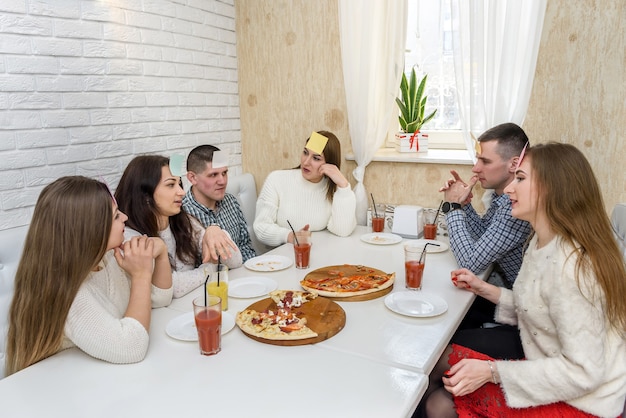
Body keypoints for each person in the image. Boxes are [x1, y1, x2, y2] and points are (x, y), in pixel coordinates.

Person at [423, 143, 626, 418]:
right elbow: (539, 309)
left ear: (552, 188)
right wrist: (484, 288)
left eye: (520, 179)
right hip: (551, 368)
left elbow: (583, 372)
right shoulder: (542, 241)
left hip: (584, 403)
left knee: (439, 402)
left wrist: (492, 372)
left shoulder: (573, 267)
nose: (508, 189)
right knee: (437, 365)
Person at [5, 176, 173, 376]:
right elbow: (131, 347)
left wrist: (161, 252)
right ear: (91, 230)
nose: (125, 217)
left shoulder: (107, 257)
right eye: (115, 216)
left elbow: (159, 298)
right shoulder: (67, 293)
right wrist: (141, 275)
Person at [440, 123, 532, 328]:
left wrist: (452, 207)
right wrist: (464, 205)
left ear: (513, 164)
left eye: (485, 161)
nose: (475, 168)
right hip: (508, 297)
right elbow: (482, 237)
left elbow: (470, 263)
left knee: (444, 317)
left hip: (520, 314)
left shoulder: (514, 207)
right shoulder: (502, 197)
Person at [115, 155, 242, 298]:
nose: (181, 192)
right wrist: (212, 268)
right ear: (145, 195)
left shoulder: (183, 221)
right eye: (170, 185)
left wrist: (215, 230)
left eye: (179, 184)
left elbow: (235, 261)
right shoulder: (128, 237)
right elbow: (171, 287)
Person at [254, 131, 357, 246]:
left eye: (316, 158)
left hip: (318, 254)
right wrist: (289, 236)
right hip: (280, 257)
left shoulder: (332, 189)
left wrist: (343, 186)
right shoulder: (277, 179)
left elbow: (342, 231)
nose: (306, 162)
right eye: (305, 153)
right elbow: (261, 226)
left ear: (329, 164)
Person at [182, 145, 256, 262]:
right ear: (192, 178)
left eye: (224, 173)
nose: (223, 181)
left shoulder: (231, 201)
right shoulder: (182, 213)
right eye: (213, 175)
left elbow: (245, 247)